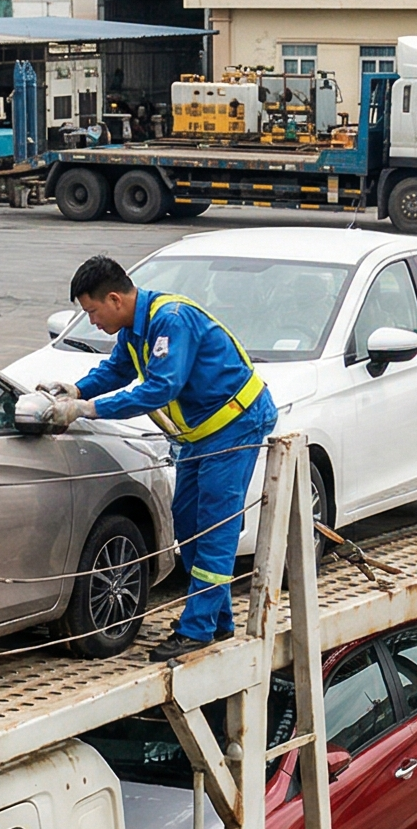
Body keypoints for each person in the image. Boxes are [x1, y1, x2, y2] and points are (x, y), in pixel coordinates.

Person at [41, 256, 278, 661]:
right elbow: (117, 371)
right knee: (186, 523)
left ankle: (198, 629)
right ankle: (217, 620)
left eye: (93, 312)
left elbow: (159, 390)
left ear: (115, 299)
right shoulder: (136, 328)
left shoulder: (172, 320)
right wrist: (75, 392)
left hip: (235, 424)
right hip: (200, 435)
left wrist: (88, 411)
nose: (93, 322)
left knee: (215, 527)